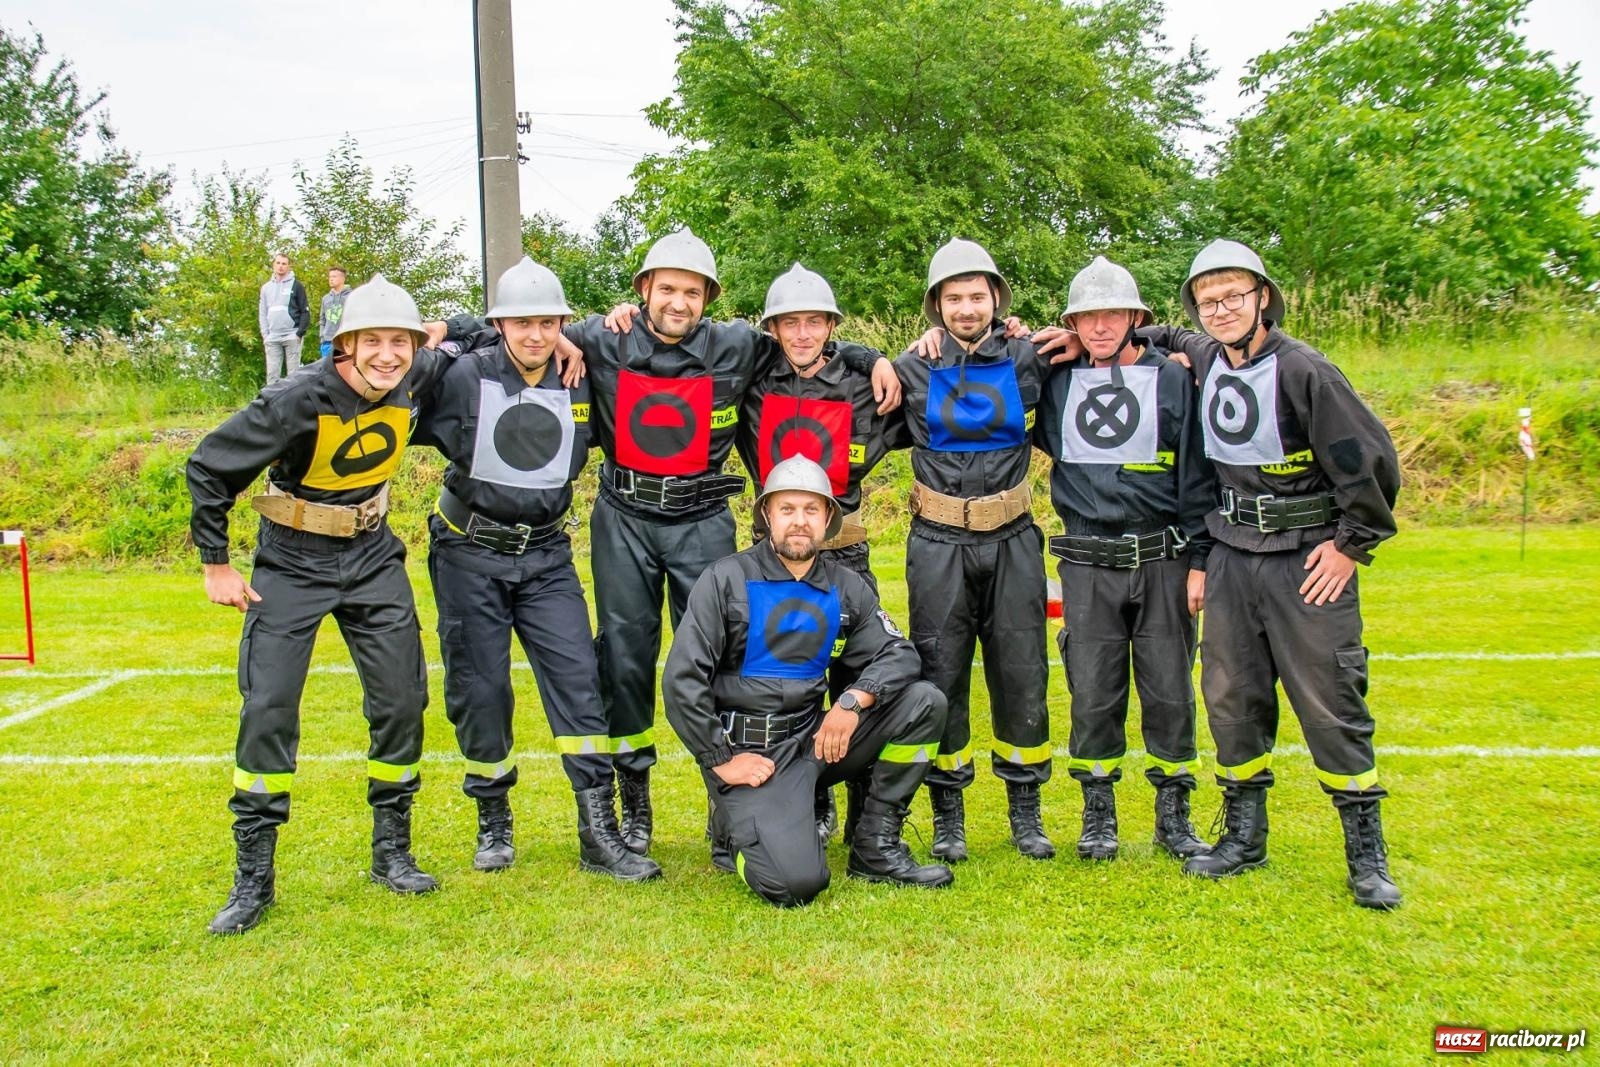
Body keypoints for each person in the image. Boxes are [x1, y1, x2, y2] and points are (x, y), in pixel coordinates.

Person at [437, 229, 898, 858]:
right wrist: (452, 327)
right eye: (666, 289)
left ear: (708, 296)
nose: (678, 302)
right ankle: (634, 808)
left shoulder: (738, 346)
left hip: (703, 519)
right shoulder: (601, 337)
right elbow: (521, 326)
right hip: (623, 517)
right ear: (643, 291)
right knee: (624, 658)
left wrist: (872, 356)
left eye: (691, 291)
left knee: (730, 659)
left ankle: (730, 803)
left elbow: (808, 342)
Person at [1134, 239, 1403, 909]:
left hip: (1305, 555)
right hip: (1230, 553)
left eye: (1233, 296)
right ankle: (1244, 837)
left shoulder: (1306, 371)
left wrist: (1351, 545)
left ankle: (1365, 852)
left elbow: (1368, 459)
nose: (1220, 309)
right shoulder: (1202, 354)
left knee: (1331, 699)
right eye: (1208, 300)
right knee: (1231, 696)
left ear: (1262, 298)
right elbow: (1155, 333)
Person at [189, 275, 456, 935]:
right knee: (269, 707)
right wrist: (216, 562)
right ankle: (254, 878)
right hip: (291, 560)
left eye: (401, 341)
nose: (388, 355)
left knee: (401, 700)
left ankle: (391, 850)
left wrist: (457, 330)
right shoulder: (296, 398)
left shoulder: (416, 373)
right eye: (373, 341)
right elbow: (209, 465)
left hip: (372, 555)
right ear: (344, 345)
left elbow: (473, 334)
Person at [411, 257, 660, 883]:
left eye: (548, 323)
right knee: (481, 688)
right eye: (521, 323)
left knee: (580, 678)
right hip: (470, 551)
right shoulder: (463, 376)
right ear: (500, 324)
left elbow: (634, 341)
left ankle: (596, 831)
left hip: (547, 555)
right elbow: (403, 366)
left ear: (561, 325)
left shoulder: (581, 375)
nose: (535, 335)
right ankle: (493, 818)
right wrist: (452, 326)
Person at [662, 456, 952, 906]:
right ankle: (733, 831)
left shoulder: (846, 586)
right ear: (767, 516)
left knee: (924, 702)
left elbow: (898, 653)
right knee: (795, 885)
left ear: (829, 519)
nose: (799, 522)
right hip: (751, 756)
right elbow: (682, 679)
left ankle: (875, 846)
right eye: (787, 509)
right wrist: (721, 759)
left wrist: (853, 701)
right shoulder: (725, 579)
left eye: (811, 510)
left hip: (814, 739)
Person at [1030, 256, 1214, 863]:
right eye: (1087, 316)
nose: (1100, 325)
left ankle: (1173, 815)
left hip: (1163, 556)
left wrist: (1200, 560)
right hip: (1086, 560)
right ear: (1073, 324)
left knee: (1169, 690)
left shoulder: (1172, 380)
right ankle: (1098, 815)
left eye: (1112, 313)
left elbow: (1197, 474)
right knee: (1093, 692)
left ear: (1136, 318)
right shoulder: (1057, 383)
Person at [888, 238, 1055, 862]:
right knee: (940, 672)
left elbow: (1102, 342)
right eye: (953, 298)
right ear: (937, 305)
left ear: (996, 300)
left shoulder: (1029, 357)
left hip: (1012, 538)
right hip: (938, 543)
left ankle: (1026, 812)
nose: (966, 308)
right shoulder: (912, 369)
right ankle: (949, 814)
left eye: (977, 296)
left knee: (1023, 671)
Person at [736, 263, 902, 843]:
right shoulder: (753, 379)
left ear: (831, 327)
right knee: (785, 683)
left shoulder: (865, 386)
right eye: (790, 323)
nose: (802, 334)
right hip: (773, 557)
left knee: (858, 682)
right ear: (774, 329)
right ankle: (801, 800)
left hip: (846, 554)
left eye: (815, 322)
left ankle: (866, 814)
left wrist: (872, 356)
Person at [258, 252, 310, 384]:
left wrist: (299, 333)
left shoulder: (296, 285)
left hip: (292, 334)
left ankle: (294, 404)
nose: (281, 266)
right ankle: (272, 404)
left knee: (293, 376)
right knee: (272, 375)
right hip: (272, 336)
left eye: (284, 264)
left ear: (288, 266)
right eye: (278, 263)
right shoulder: (266, 288)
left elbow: (305, 310)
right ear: (273, 265)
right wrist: (265, 334)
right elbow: (263, 312)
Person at [319, 266, 351, 359]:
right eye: (330, 277)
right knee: (327, 371)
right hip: (327, 341)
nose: (331, 279)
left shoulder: (351, 296)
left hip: (344, 340)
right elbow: (322, 319)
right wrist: (322, 337)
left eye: (334, 277)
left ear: (342, 278)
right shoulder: (326, 298)